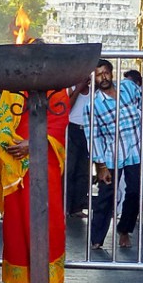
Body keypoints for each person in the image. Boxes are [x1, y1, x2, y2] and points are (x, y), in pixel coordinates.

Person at [0, 86, 70, 283]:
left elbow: (59, 123)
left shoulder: (56, 84)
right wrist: (8, 142)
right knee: (14, 222)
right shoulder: (13, 86)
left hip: (44, 158)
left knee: (48, 221)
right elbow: (1, 122)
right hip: (13, 160)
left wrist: (33, 143)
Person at [86, 61, 143, 250]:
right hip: (111, 154)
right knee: (106, 196)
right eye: (98, 74)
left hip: (137, 150)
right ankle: (96, 238)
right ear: (94, 78)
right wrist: (100, 165)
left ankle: (124, 230)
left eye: (106, 73)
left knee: (134, 192)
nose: (103, 77)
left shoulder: (128, 87)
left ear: (111, 73)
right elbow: (93, 136)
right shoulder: (93, 105)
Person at [64, 78, 91, 217]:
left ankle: (77, 207)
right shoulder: (71, 87)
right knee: (69, 169)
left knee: (84, 171)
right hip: (72, 128)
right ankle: (65, 207)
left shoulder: (96, 92)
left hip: (88, 130)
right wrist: (78, 89)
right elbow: (65, 109)